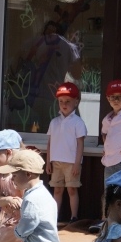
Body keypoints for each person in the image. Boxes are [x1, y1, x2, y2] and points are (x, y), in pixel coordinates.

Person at [46, 82, 87, 224]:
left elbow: (80, 144)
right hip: (56, 162)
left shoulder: (78, 122)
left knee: (72, 190)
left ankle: (73, 217)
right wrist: (48, 161)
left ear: (76, 102)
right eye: (61, 101)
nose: (64, 104)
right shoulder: (54, 122)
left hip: (71, 163)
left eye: (68, 101)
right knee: (57, 190)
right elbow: (50, 143)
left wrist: (77, 163)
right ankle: (54, 217)